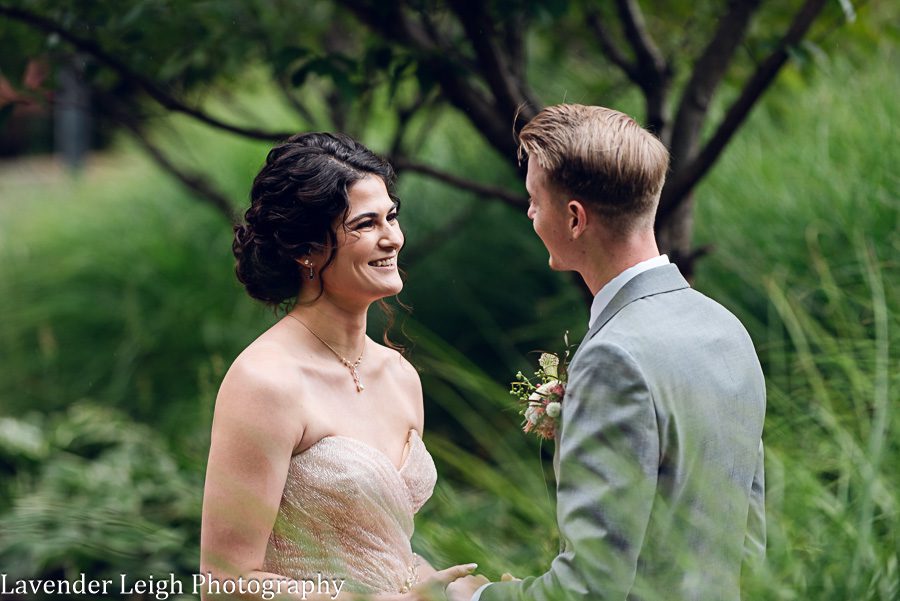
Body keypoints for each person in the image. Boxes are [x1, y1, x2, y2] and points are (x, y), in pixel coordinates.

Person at [449, 105, 766, 601]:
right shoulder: (726, 328)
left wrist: (472, 597)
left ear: (575, 218)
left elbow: (590, 589)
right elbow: (749, 538)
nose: (529, 213)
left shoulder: (613, 358)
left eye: (534, 200)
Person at [200, 132, 476, 601]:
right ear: (306, 249)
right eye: (365, 224)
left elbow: (387, 553)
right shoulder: (265, 382)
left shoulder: (400, 376)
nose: (392, 237)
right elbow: (224, 581)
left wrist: (468, 592)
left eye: (391, 216)